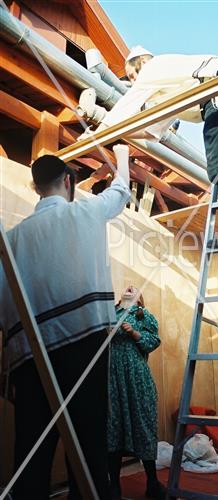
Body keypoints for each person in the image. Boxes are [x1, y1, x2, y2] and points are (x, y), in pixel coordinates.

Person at [0, 147, 130, 499]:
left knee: (31, 452)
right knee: (87, 447)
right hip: (83, 348)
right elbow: (121, 192)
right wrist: (123, 155)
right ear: (69, 182)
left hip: (30, 358)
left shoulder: (11, 239)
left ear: (36, 187)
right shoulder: (84, 212)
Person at [95, 45, 218, 248]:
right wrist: (120, 133)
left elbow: (126, 104)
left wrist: (98, 133)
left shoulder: (152, 68)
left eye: (132, 75)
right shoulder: (172, 84)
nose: (133, 82)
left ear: (143, 62)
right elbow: (152, 133)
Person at [107, 285, 165, 500]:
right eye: (126, 287)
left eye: (135, 289)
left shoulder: (143, 314)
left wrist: (133, 332)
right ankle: (114, 487)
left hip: (136, 378)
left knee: (143, 424)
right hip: (112, 379)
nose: (129, 286)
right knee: (113, 427)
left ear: (140, 299)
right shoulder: (109, 313)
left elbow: (153, 342)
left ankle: (152, 482)